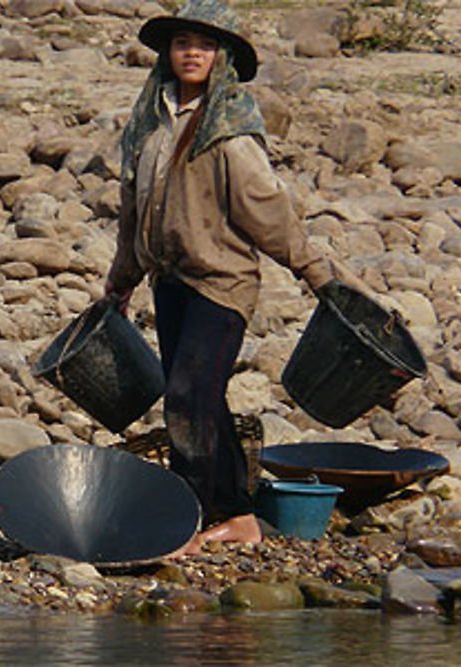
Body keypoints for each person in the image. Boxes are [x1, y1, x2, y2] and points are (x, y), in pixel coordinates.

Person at [105, 0, 362, 554]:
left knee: (185, 397)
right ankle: (238, 517)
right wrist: (121, 278)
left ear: (220, 57)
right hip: (170, 281)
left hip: (222, 283)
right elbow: (133, 207)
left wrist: (316, 273)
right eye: (181, 43)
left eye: (203, 44)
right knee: (204, 401)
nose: (191, 52)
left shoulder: (228, 127)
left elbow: (264, 208)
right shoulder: (151, 119)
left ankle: (191, 522)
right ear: (167, 54)